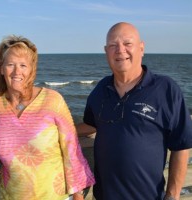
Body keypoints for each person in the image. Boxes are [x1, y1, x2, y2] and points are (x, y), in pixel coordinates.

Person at [77, 22, 192, 200]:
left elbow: (181, 145)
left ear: (141, 48)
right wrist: (54, 129)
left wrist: (172, 195)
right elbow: (91, 125)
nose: (120, 50)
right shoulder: (100, 89)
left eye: (127, 43)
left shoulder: (165, 89)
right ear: (106, 51)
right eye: (113, 45)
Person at [0, 35, 95, 200]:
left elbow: (71, 147)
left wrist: (78, 195)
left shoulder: (52, 99)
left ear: (31, 69)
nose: (17, 71)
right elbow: (2, 134)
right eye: (11, 64)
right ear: (1, 68)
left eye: (23, 65)